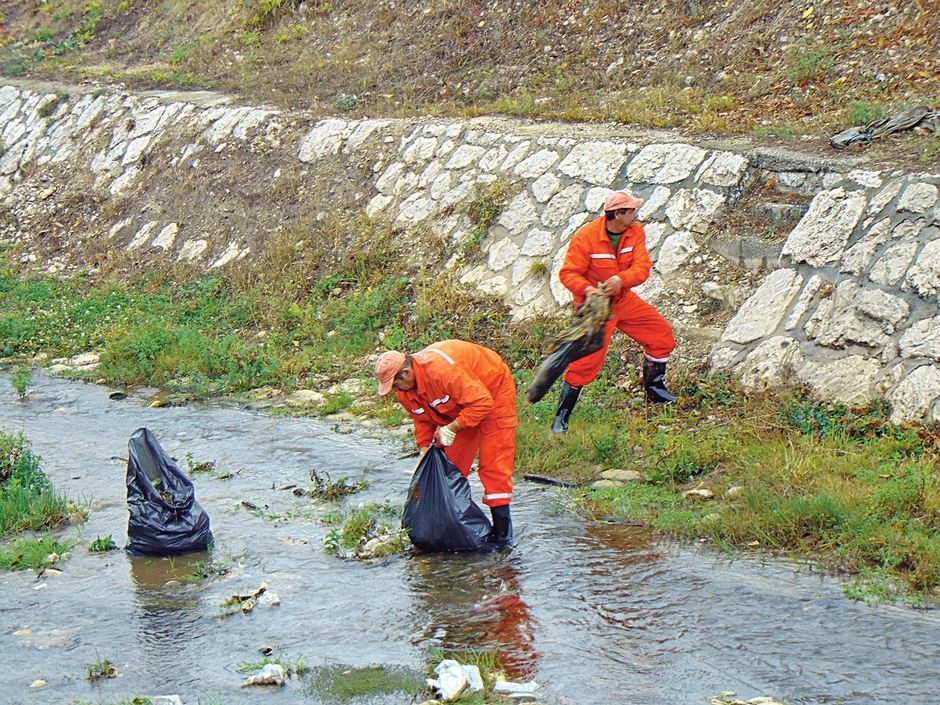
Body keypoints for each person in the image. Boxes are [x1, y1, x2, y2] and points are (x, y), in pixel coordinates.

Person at [553, 190, 677, 433]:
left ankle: (655, 392)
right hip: (594, 308)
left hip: (623, 299)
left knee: (661, 335)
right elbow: (568, 273)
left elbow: (642, 268)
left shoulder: (635, 232)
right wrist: (589, 291)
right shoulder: (586, 237)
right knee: (586, 361)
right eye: (632, 211)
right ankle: (562, 418)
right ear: (617, 214)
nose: (637, 215)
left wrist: (621, 281)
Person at [374, 340, 517, 544]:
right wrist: (424, 448)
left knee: (493, 466)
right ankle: (454, 531)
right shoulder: (405, 392)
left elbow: (482, 403)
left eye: (396, 383)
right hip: (460, 407)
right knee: (449, 470)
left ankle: (503, 536)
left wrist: (452, 428)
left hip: (493, 393)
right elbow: (421, 418)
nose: (396, 390)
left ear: (406, 373)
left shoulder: (441, 371)